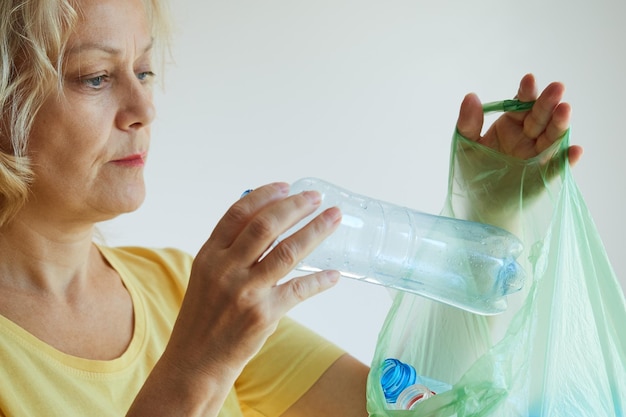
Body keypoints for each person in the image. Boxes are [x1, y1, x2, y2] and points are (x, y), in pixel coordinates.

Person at [0, 0, 583, 416]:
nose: (143, 107)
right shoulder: (202, 317)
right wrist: (196, 370)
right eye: (96, 77)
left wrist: (486, 217)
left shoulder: (180, 287)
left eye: (145, 70)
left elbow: (417, 408)